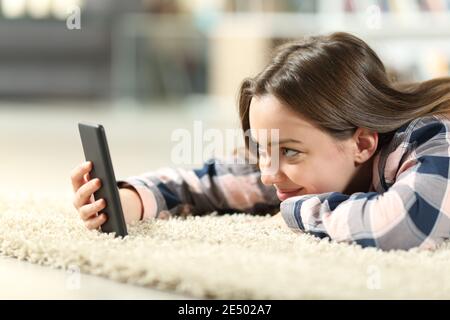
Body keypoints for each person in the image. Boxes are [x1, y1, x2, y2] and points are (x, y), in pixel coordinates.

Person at [71, 32, 450, 251]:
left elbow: (404, 225)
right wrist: (127, 200)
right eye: (262, 148)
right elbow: (205, 183)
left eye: (288, 151)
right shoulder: (300, 164)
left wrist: (293, 213)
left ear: (363, 144)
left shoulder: (432, 139)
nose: (269, 175)